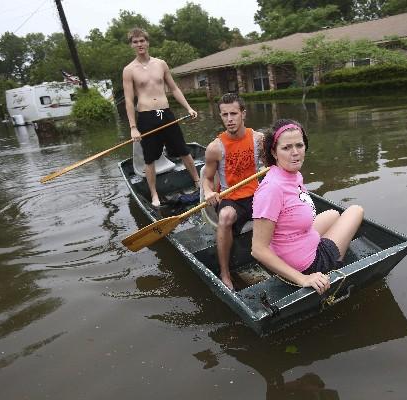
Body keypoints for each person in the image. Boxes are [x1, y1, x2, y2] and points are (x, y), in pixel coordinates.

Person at [251, 119, 364, 295]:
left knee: (333, 214)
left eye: (299, 145)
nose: (295, 153)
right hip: (305, 265)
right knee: (356, 211)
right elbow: (258, 250)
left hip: (295, 245)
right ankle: (334, 261)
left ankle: (327, 243)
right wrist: (302, 278)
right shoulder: (271, 189)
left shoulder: (290, 173)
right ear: (273, 152)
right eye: (286, 148)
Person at [122, 27, 200, 207]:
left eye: (142, 40)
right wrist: (133, 127)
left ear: (147, 42)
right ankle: (154, 194)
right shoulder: (129, 70)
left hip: (165, 113)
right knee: (150, 158)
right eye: (135, 42)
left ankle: (197, 181)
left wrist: (188, 107)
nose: (139, 44)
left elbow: (174, 88)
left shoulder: (161, 64)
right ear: (131, 45)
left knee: (183, 150)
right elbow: (128, 100)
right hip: (147, 116)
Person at [203, 93, 264, 290]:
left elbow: (272, 164)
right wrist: (207, 192)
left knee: (283, 206)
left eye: (234, 113)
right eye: (224, 115)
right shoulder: (215, 148)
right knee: (226, 217)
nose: (229, 119)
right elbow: (208, 178)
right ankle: (225, 272)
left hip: (257, 194)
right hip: (231, 197)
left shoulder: (259, 139)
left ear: (243, 114)